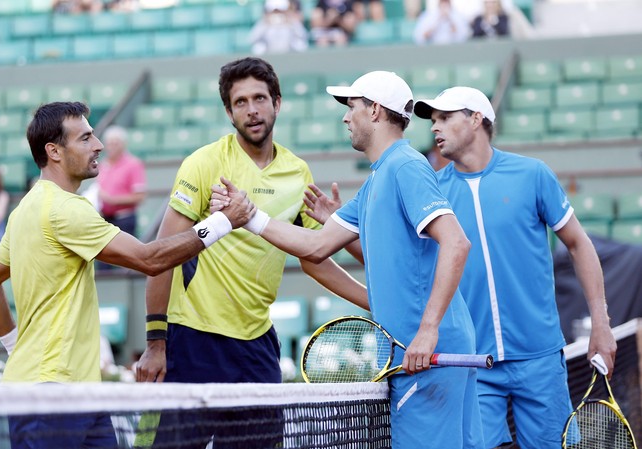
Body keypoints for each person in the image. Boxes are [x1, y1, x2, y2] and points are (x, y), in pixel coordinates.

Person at [213, 71, 484, 449]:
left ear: (374, 111)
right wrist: (250, 217)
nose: (345, 117)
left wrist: (428, 330)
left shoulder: (405, 165)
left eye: (352, 107)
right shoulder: (379, 178)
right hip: (420, 353)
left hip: (427, 354)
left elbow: (457, 243)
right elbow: (316, 246)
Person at [0, 101, 255, 449]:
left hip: (80, 394)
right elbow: (150, 259)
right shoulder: (65, 209)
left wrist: (17, 349)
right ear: (54, 151)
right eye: (86, 138)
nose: (99, 145)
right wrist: (224, 222)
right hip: (51, 397)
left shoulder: (25, 209)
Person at [135, 57, 368, 447]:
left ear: (278, 103)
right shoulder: (205, 163)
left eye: (259, 98)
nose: (252, 109)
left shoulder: (298, 173)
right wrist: (156, 343)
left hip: (256, 347)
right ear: (228, 112)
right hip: (192, 339)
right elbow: (161, 255)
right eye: (240, 102)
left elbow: (315, 257)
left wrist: (371, 299)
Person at [412, 86, 617, 449]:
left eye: (444, 118)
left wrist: (601, 323)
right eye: (433, 120)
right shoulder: (433, 190)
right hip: (471, 364)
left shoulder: (532, 174)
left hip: (540, 358)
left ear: (476, 119)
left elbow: (579, 244)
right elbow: (404, 260)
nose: (434, 127)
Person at [96, 125, 147, 238]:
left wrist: (112, 200)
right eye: (109, 143)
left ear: (123, 144)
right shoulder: (103, 165)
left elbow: (140, 197)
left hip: (124, 220)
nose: (112, 147)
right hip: (105, 219)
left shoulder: (133, 164)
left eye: (116, 143)